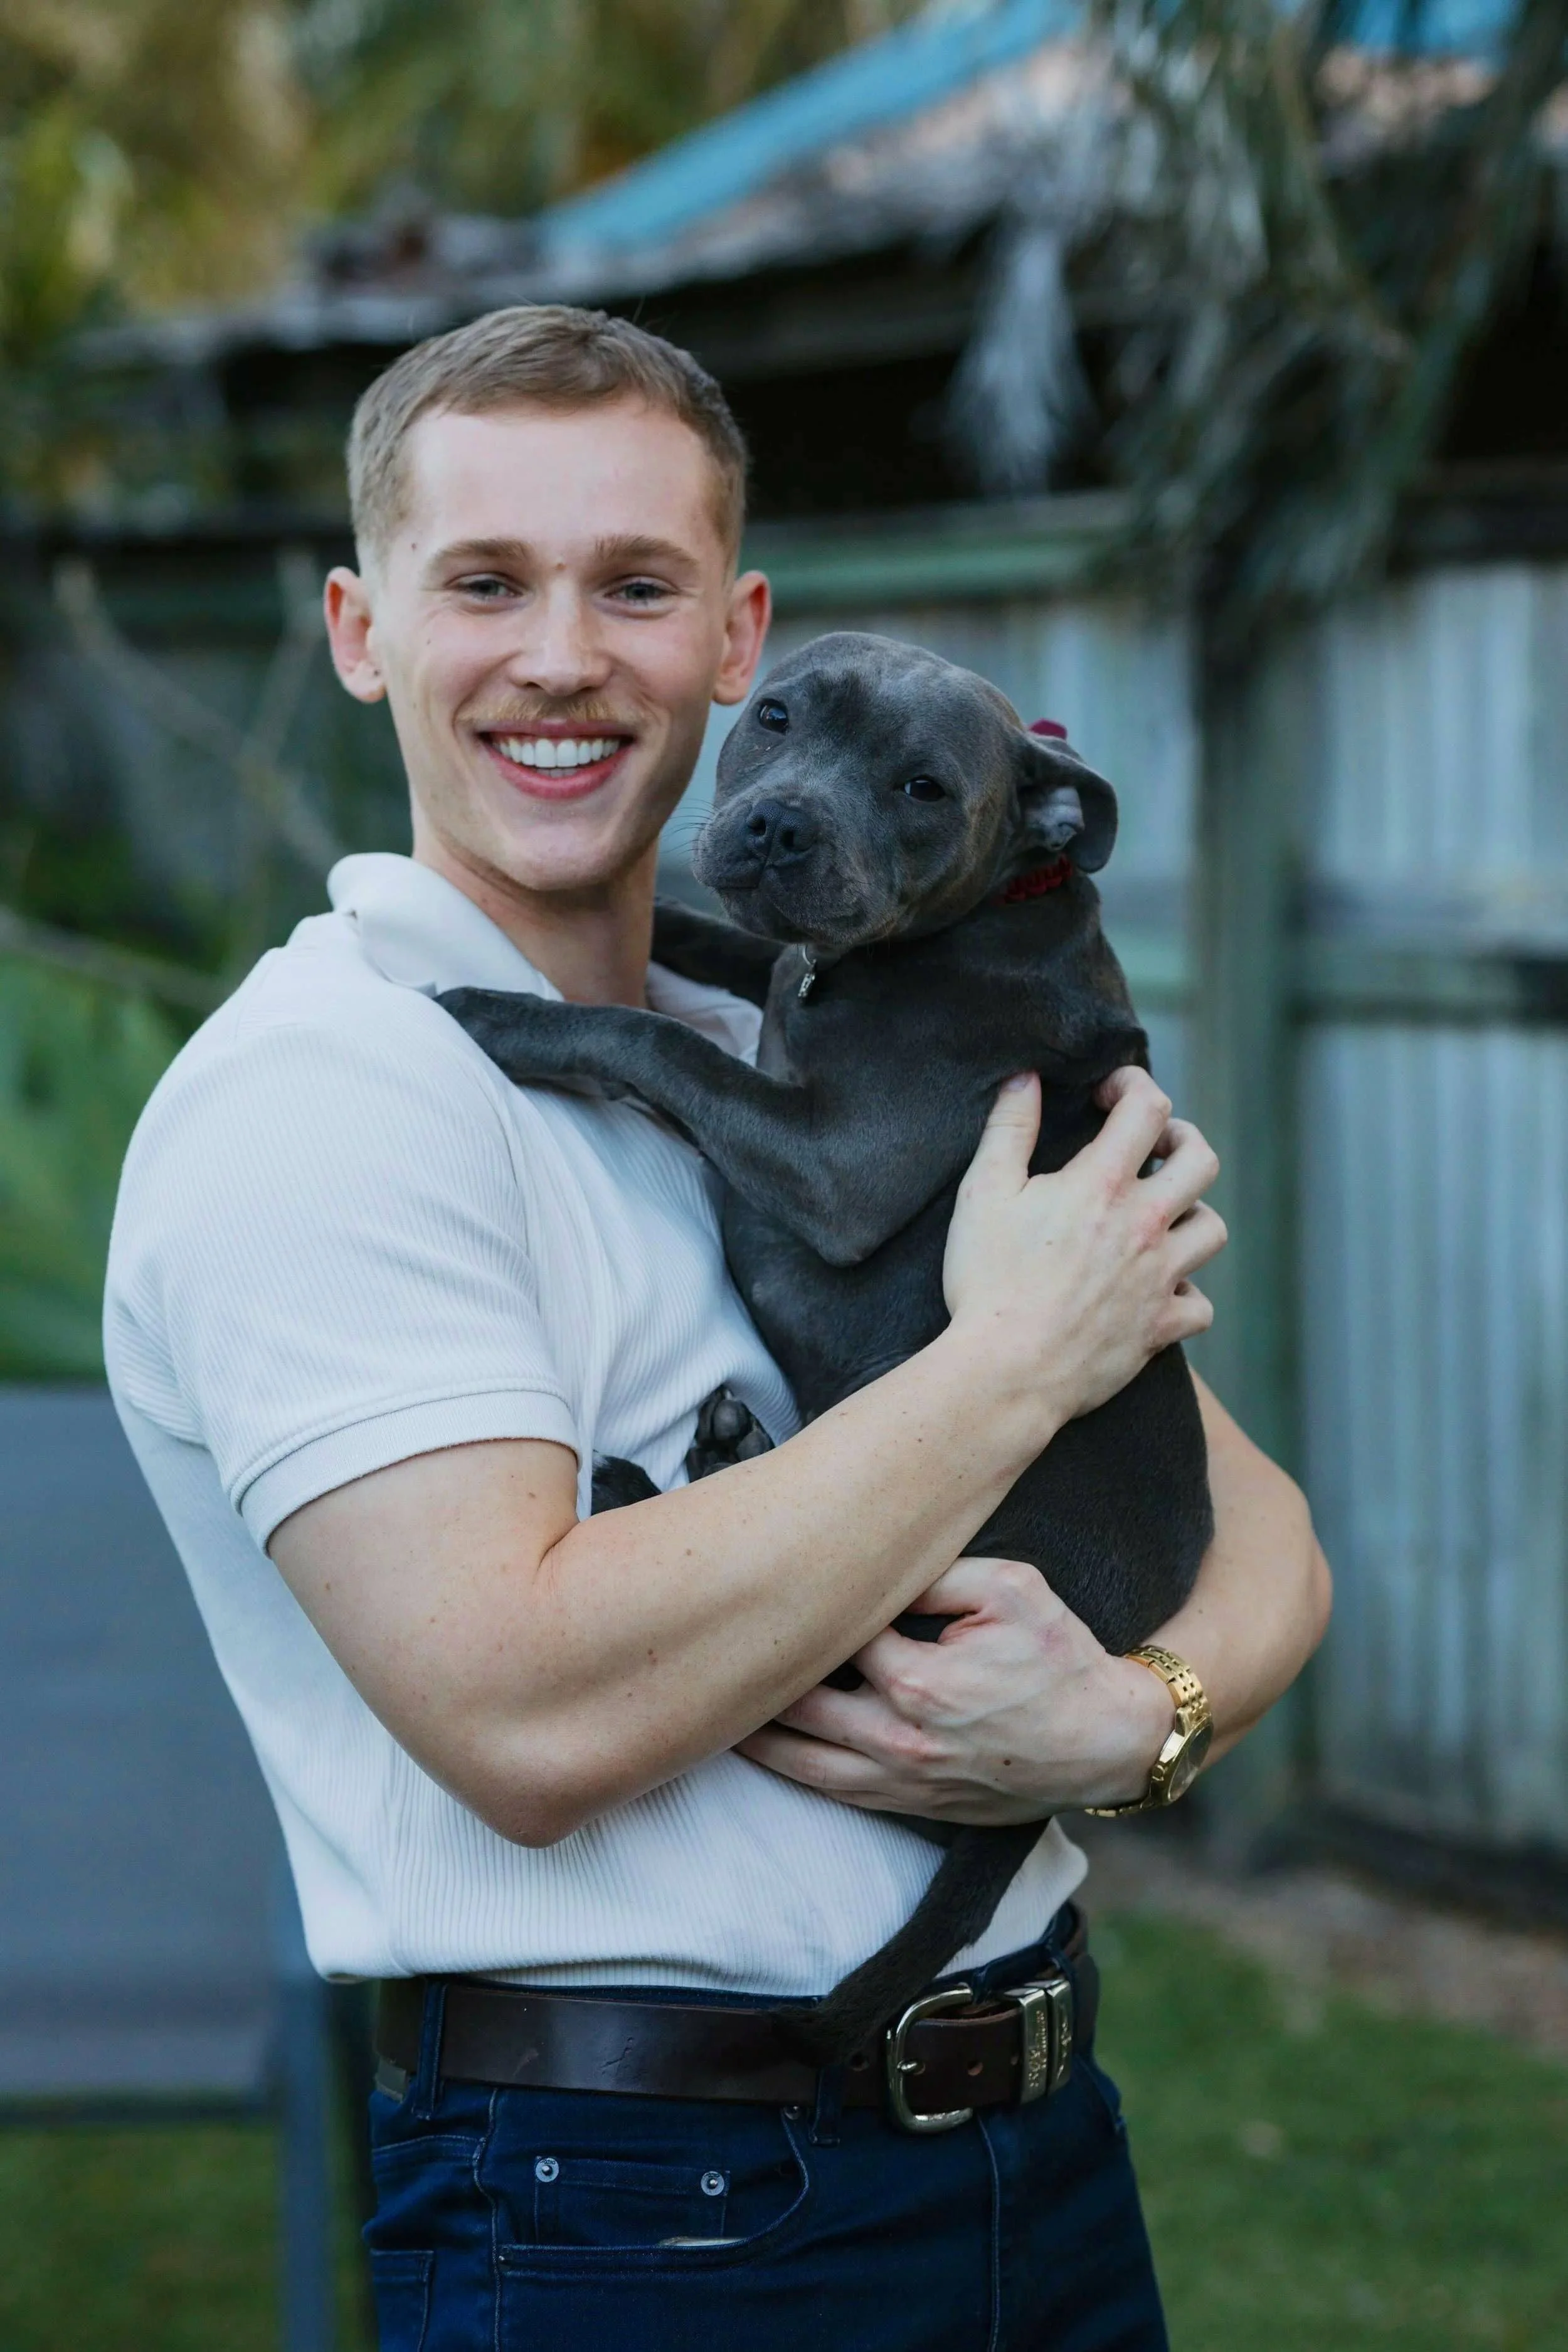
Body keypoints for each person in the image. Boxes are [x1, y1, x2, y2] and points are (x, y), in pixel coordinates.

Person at [105, 304, 1330, 2351]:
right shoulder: (320, 1097)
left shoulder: (805, 1035)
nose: (566, 654)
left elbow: (1263, 1523)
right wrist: (1012, 1355)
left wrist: (1145, 1718)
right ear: (356, 626)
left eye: (637, 586)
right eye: (484, 581)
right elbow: (526, 1717)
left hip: (1031, 2148)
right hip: (642, 2218)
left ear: (739, 638)